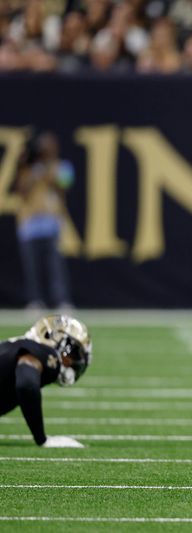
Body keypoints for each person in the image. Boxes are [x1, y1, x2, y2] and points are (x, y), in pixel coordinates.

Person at [0, 314, 92, 447]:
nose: (72, 360)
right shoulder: (41, 352)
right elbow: (26, 384)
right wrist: (42, 439)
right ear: (49, 337)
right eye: (73, 352)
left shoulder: (12, 347)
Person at [14, 131, 74, 310]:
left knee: (55, 267)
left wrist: (47, 171)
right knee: (32, 267)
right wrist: (31, 170)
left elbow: (65, 185)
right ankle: (35, 301)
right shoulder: (28, 168)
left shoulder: (62, 166)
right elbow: (21, 192)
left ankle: (61, 300)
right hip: (30, 224)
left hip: (51, 222)